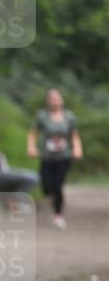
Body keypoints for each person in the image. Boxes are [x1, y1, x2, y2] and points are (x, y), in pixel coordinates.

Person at [27, 88, 83, 229]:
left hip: (64, 157)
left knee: (58, 185)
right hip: (46, 156)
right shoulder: (42, 116)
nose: (54, 101)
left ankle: (58, 215)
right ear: (47, 101)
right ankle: (52, 196)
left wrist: (77, 148)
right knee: (47, 186)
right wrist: (31, 147)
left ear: (61, 100)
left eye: (56, 98)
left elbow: (74, 135)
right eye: (51, 98)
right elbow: (33, 133)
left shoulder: (69, 117)